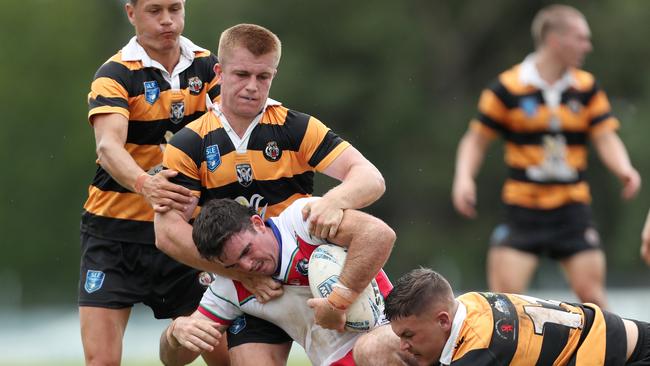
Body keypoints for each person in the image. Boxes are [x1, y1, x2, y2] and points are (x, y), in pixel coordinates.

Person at [153, 23, 386, 365]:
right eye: (241, 74)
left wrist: (336, 200)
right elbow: (167, 233)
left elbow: (370, 177)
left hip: (312, 270)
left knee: (381, 352)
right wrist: (242, 274)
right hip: (247, 285)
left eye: (263, 77)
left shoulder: (295, 126)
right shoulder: (189, 144)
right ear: (219, 72)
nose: (252, 87)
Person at [451, 4, 641, 308]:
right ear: (555, 40)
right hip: (523, 206)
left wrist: (624, 168)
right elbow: (475, 140)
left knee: (593, 299)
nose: (587, 46)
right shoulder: (507, 87)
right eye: (581, 38)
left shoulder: (587, 88)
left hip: (572, 207)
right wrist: (463, 178)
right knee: (505, 305)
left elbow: (605, 137)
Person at [78, 0, 226, 364]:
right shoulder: (114, 73)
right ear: (131, 13)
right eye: (154, 10)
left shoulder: (210, 67)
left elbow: (232, 134)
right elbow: (108, 147)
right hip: (114, 234)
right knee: (102, 361)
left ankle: (175, 336)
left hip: (183, 231)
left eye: (175, 9)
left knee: (220, 354)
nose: (167, 20)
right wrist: (146, 184)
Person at [159, 197, 408, 366]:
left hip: (388, 328)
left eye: (246, 251)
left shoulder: (302, 220)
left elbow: (378, 234)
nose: (246, 267)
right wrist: (175, 333)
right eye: (232, 265)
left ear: (258, 224)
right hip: (333, 361)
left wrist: (337, 303)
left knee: (375, 348)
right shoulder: (229, 286)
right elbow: (173, 359)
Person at [384, 267, 650, 366]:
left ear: (443, 321)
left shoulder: (480, 351)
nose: (403, 346)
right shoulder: (468, 303)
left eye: (409, 335)